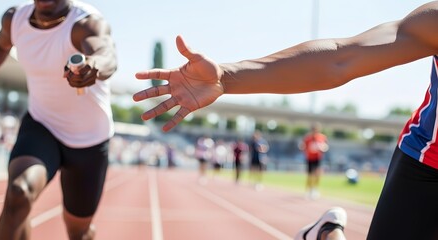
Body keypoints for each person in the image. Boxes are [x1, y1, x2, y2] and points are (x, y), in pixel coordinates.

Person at [132, 1, 438, 239]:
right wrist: (227, 77)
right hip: (428, 166)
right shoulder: (434, 19)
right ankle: (326, 233)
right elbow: (339, 59)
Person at [0, 0, 117, 239]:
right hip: (42, 125)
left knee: (78, 231)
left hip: (89, 139)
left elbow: (106, 54)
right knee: (18, 193)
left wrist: (93, 65)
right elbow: (0, 46)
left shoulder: (84, 23)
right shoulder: (15, 20)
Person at [299, 122, 329, 199]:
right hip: (309, 158)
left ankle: (315, 190)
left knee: (317, 174)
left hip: (318, 158)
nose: (315, 130)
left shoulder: (322, 137)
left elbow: (326, 146)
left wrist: (323, 148)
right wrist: (303, 148)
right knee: (310, 175)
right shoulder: (307, 137)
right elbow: (302, 146)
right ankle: (308, 190)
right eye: (314, 129)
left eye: (316, 129)